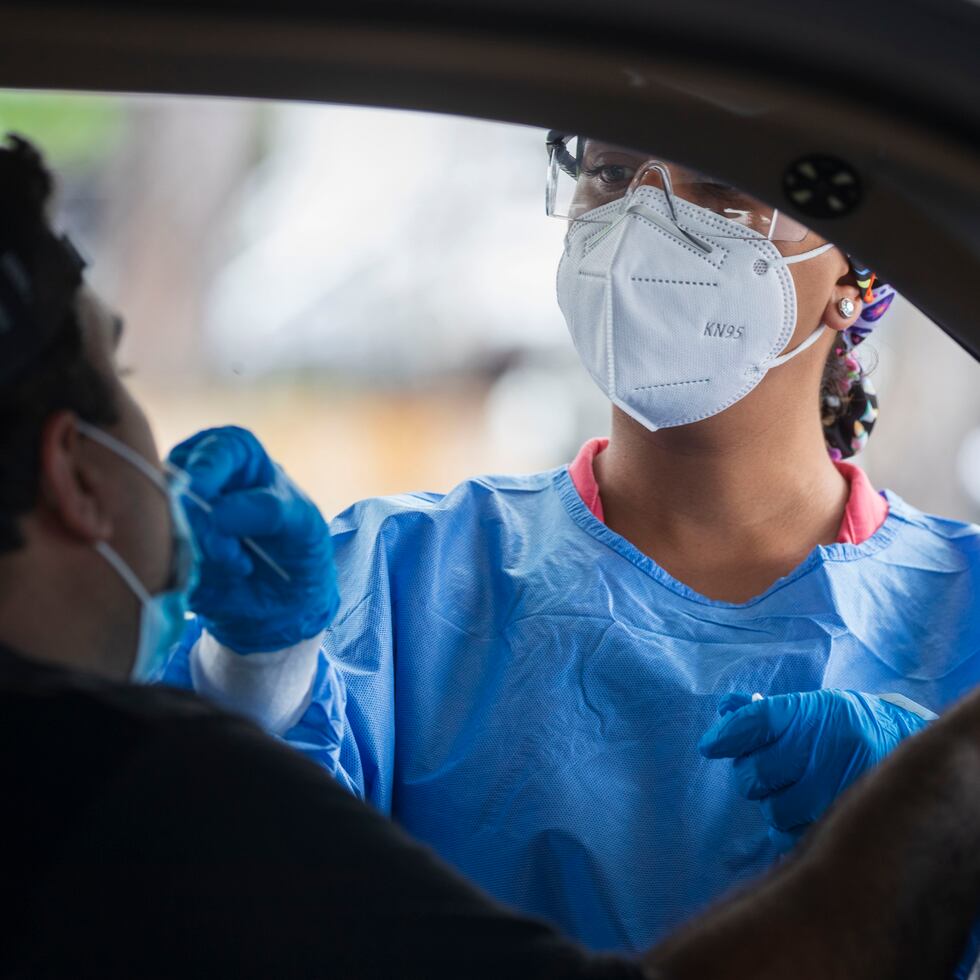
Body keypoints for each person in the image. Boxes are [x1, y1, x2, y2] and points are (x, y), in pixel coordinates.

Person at [4, 130, 980, 980]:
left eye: (721, 189)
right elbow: (230, 896)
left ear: (859, 268)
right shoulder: (396, 576)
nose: (645, 222)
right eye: (607, 173)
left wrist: (945, 810)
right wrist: (260, 669)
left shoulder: (962, 612)